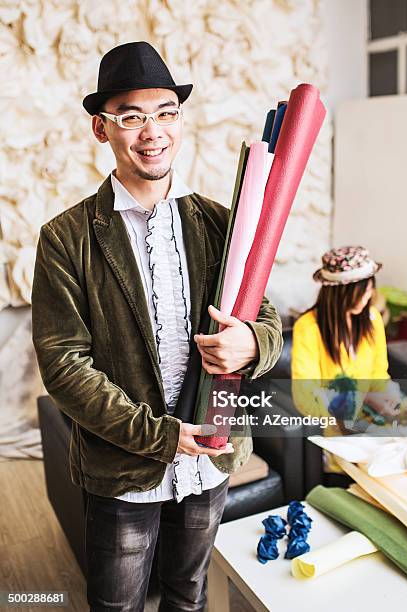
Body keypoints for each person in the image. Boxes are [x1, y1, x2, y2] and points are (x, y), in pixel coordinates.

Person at [31, 41, 282, 612]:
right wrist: (161, 436)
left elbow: (264, 318)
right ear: (102, 129)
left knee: (187, 595)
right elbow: (64, 366)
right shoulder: (66, 238)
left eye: (166, 112)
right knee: (117, 604)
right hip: (124, 465)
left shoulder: (223, 223)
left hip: (210, 457)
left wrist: (252, 342)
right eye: (132, 117)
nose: (153, 131)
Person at [291, 246, 407, 434]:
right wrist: (365, 398)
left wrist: (406, 406)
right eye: (359, 292)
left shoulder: (372, 318)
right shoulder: (308, 328)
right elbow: (307, 399)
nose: (367, 296)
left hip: (377, 421)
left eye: (369, 287)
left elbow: (379, 378)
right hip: (340, 430)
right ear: (339, 293)